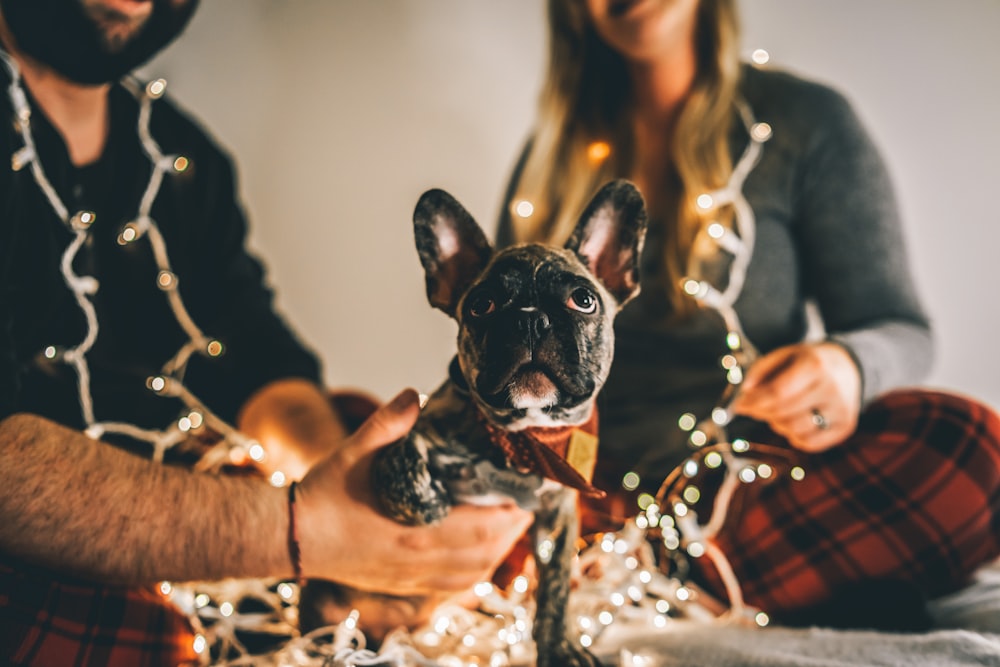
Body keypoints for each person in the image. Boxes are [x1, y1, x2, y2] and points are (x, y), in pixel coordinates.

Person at [0, 0, 532, 664]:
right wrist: (303, 531)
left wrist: (358, 503)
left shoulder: (180, 157)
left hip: (212, 565)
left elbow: (255, 356)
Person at [497, 0, 1000, 629]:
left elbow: (899, 326)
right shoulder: (551, 161)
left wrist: (847, 366)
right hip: (581, 491)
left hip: (746, 479)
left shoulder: (801, 124)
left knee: (967, 443)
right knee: (372, 445)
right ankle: (715, 580)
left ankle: (657, 580)